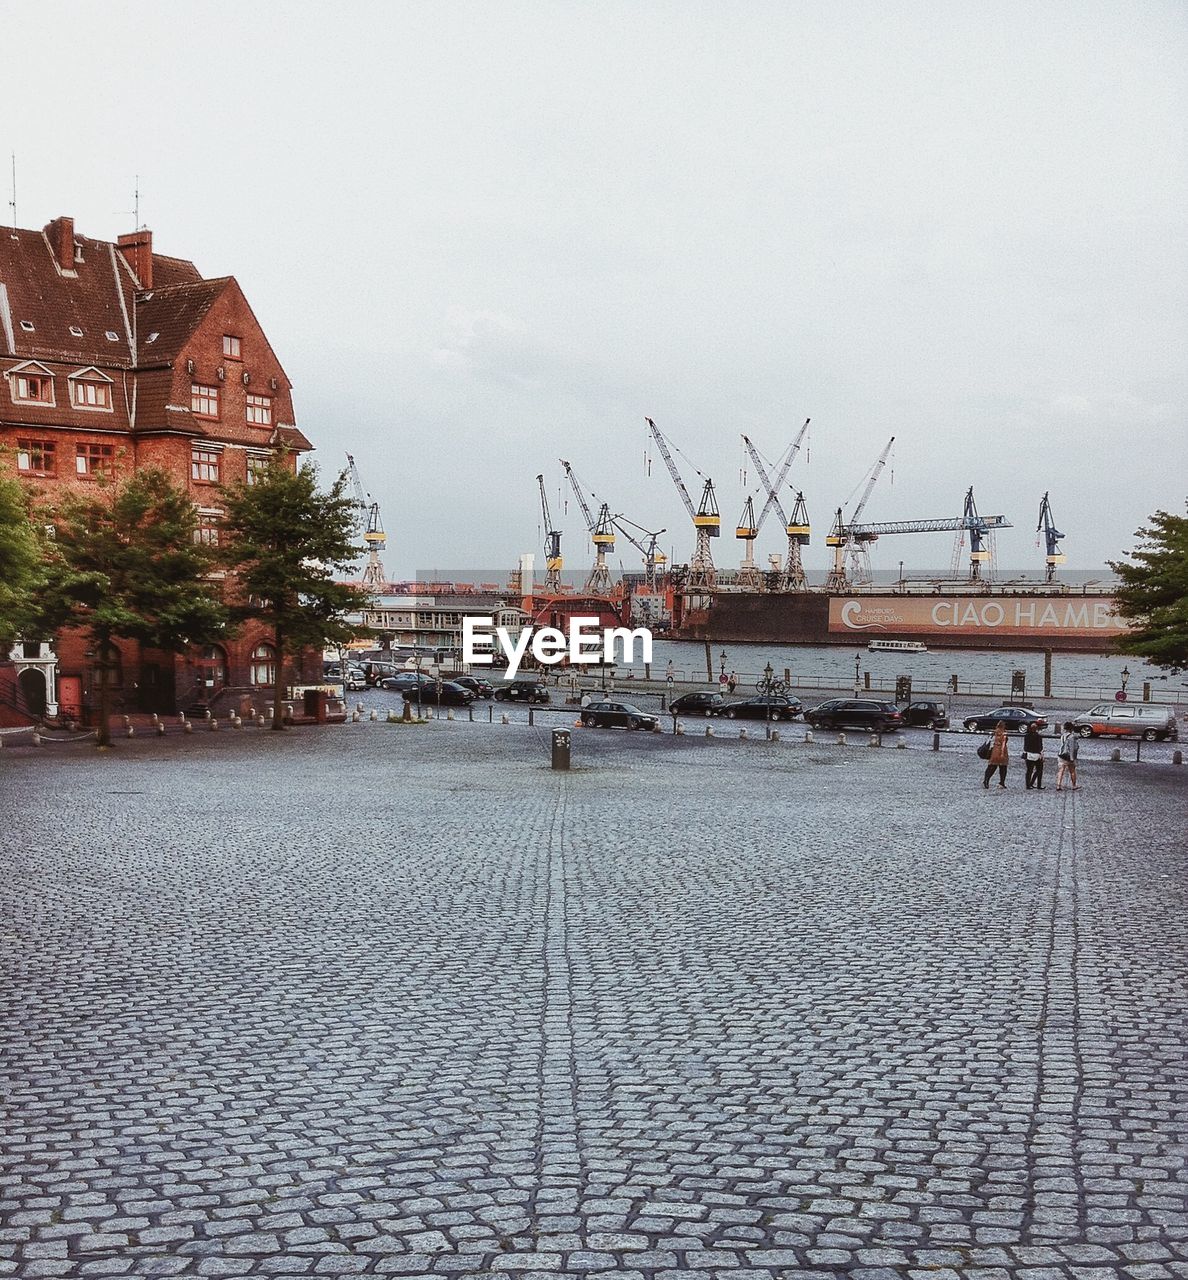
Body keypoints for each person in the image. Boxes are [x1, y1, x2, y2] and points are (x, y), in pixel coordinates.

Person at [982, 721, 1009, 789]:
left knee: (992, 766)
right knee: (1003, 767)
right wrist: (1002, 753)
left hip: (995, 749)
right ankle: (1002, 782)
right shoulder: (1004, 733)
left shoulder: (995, 732)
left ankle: (986, 780)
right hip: (1001, 750)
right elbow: (1003, 744)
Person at [1056, 721, 1080, 790]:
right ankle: (1074, 785)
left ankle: (1058, 785)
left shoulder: (1063, 735)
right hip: (1068, 756)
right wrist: (1072, 758)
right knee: (1072, 771)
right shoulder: (1071, 737)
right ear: (1071, 729)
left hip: (1061, 755)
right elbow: (1072, 748)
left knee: (1061, 771)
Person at [1023, 723, 1046, 790]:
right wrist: (1041, 754)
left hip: (1029, 754)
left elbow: (1025, 746)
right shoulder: (1038, 736)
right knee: (1039, 770)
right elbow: (1040, 746)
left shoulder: (1026, 736)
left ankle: (1028, 785)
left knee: (1029, 771)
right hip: (1037, 754)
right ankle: (1037, 784)